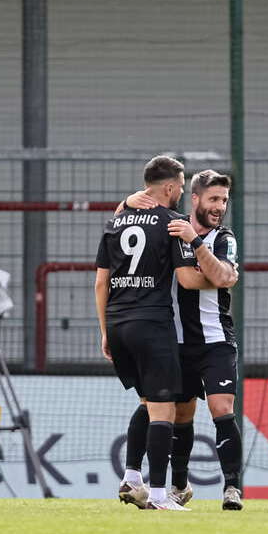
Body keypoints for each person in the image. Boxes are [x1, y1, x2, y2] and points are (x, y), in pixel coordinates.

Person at [117, 170, 244, 510]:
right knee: (178, 415)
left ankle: (232, 489)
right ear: (196, 198)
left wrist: (197, 242)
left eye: (224, 200)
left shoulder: (224, 238)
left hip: (215, 339)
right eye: (214, 199)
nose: (220, 206)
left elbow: (222, 277)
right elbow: (125, 218)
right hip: (174, 342)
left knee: (222, 408)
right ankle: (179, 486)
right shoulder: (171, 226)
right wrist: (128, 201)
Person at [95, 155, 214, 511]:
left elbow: (101, 282)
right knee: (164, 412)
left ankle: (132, 478)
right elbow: (186, 279)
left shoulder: (116, 221)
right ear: (168, 187)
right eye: (179, 187)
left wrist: (104, 331)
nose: (180, 193)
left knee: (147, 404)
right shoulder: (173, 222)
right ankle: (161, 496)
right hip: (152, 324)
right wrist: (221, 275)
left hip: (117, 324)